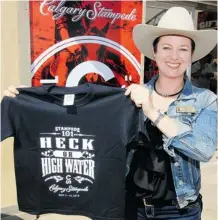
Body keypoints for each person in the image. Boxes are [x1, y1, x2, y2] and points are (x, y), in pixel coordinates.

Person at [3, 7, 217, 220]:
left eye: (183, 49)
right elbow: (80, 115)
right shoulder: (129, 97)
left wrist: (153, 112)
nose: (174, 56)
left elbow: (203, 149)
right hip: (130, 207)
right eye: (166, 47)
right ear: (155, 52)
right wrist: (24, 99)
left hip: (180, 212)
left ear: (191, 55)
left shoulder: (205, 100)